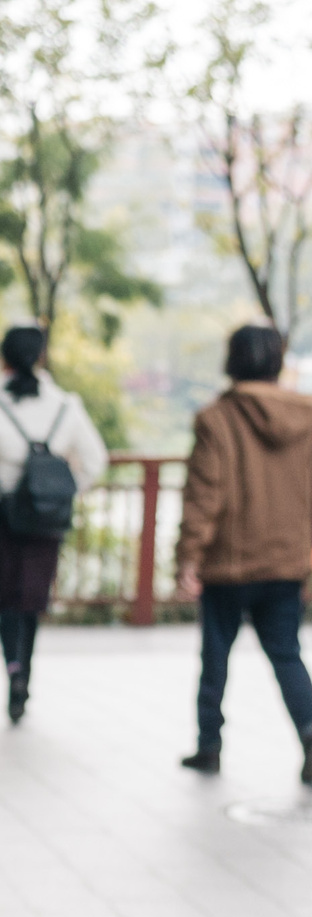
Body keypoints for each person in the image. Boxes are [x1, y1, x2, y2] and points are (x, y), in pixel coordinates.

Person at [0, 325, 109, 722]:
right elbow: (96, 461)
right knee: (33, 598)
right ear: (41, 357)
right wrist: (63, 490)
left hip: (2, 514)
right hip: (49, 516)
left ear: (3, 359)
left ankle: (12, 669)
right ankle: (25, 676)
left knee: (9, 598)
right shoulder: (66, 405)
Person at [172, 323, 312, 779]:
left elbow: (204, 495)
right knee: (287, 654)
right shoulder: (307, 416)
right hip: (287, 562)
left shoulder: (216, 418)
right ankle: (310, 739)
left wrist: (189, 557)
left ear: (233, 360)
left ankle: (208, 746)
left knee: (215, 656)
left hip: (228, 565)